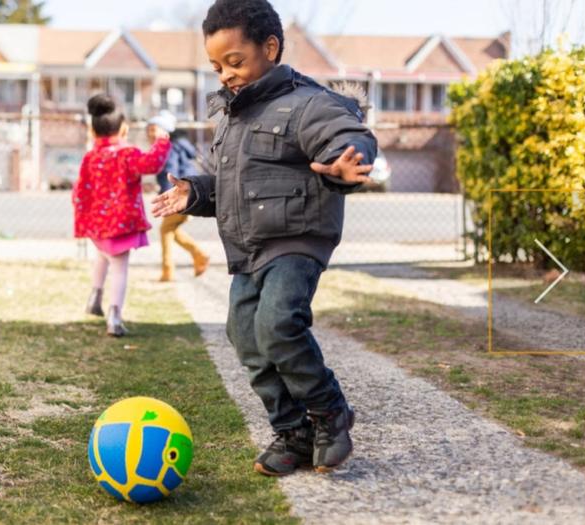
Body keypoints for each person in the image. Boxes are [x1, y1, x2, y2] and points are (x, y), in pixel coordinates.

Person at [151, 0, 377, 476]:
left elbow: (346, 133)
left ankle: (330, 412)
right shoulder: (232, 117)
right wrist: (194, 192)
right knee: (245, 335)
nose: (226, 75)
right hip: (249, 247)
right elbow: (231, 184)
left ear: (269, 48)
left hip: (297, 239)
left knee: (277, 325)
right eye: (216, 67)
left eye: (235, 61)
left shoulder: (307, 103)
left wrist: (342, 161)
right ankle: (292, 430)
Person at [74, 94, 171, 336]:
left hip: (97, 224)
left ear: (94, 131)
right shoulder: (127, 154)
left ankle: (94, 296)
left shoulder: (91, 157)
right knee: (119, 268)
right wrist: (161, 142)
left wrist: (83, 217)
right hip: (121, 224)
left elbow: (80, 189)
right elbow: (151, 165)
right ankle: (114, 315)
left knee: (102, 256)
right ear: (124, 128)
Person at [146, 110, 211, 282]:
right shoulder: (176, 146)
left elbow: (171, 172)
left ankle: (169, 270)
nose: (151, 133)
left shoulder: (169, 148)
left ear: (166, 132)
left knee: (166, 230)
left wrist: (169, 197)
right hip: (190, 193)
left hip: (181, 196)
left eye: (155, 129)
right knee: (171, 230)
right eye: (149, 130)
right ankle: (199, 256)